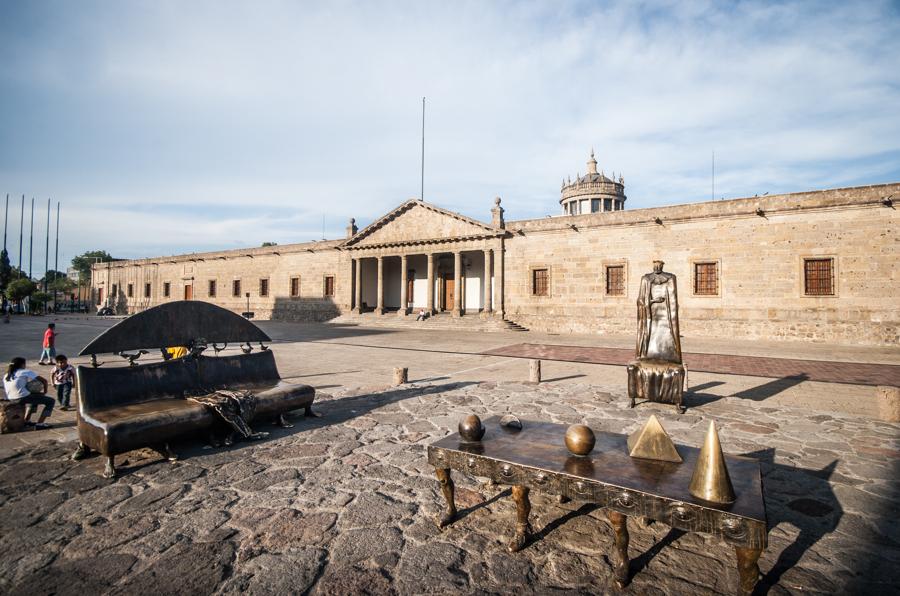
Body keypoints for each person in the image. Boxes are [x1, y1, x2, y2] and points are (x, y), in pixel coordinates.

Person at [3, 357, 54, 429]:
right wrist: (44, 392)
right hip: (22, 397)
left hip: (11, 398)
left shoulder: (6, 375)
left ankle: (26, 420)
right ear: (22, 365)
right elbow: (44, 381)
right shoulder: (25, 372)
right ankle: (40, 423)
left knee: (34, 397)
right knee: (51, 401)